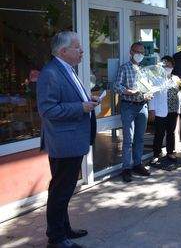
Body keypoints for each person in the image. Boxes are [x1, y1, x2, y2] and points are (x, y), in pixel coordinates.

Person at [37, 31, 98, 248]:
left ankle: (64, 229)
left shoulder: (67, 69)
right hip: (64, 143)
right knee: (60, 192)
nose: (81, 50)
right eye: (77, 47)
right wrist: (80, 107)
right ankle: (56, 239)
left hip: (72, 140)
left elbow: (66, 99)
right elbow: (47, 109)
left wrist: (86, 100)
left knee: (64, 190)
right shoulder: (51, 73)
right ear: (63, 51)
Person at [114, 42, 152, 183]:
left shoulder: (144, 70)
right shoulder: (124, 68)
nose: (140, 55)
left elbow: (148, 87)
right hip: (128, 106)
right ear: (131, 52)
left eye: (142, 53)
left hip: (142, 106)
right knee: (128, 139)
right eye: (138, 52)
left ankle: (137, 164)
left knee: (140, 138)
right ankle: (126, 168)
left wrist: (148, 94)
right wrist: (127, 92)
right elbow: (117, 85)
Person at [148, 56, 180, 162]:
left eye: (169, 65)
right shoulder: (156, 79)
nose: (167, 67)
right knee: (159, 132)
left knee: (171, 132)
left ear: (173, 66)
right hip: (160, 110)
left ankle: (170, 152)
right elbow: (151, 94)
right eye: (164, 65)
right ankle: (156, 153)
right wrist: (151, 110)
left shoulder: (176, 79)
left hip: (173, 110)